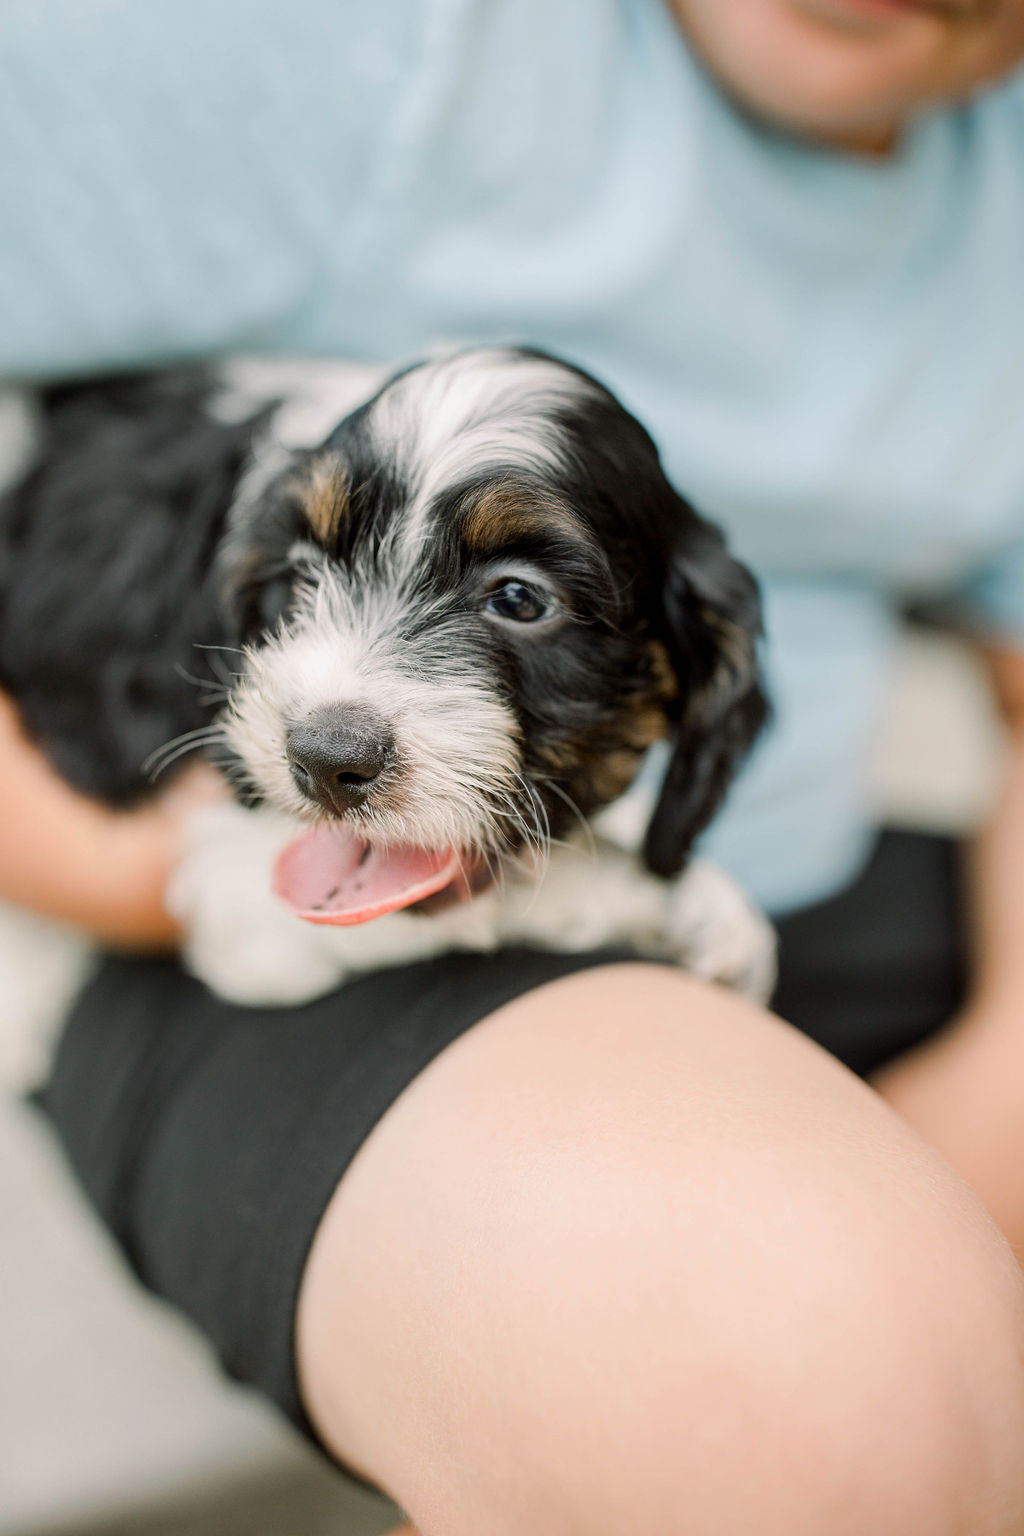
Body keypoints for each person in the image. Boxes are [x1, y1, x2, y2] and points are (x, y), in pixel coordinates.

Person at [4, 1, 1024, 1530]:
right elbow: (257, 893)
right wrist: (145, 874)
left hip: (729, 875)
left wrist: (1005, 1087)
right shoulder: (359, 47)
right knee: (802, 1401)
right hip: (229, 900)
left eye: (513, 598)